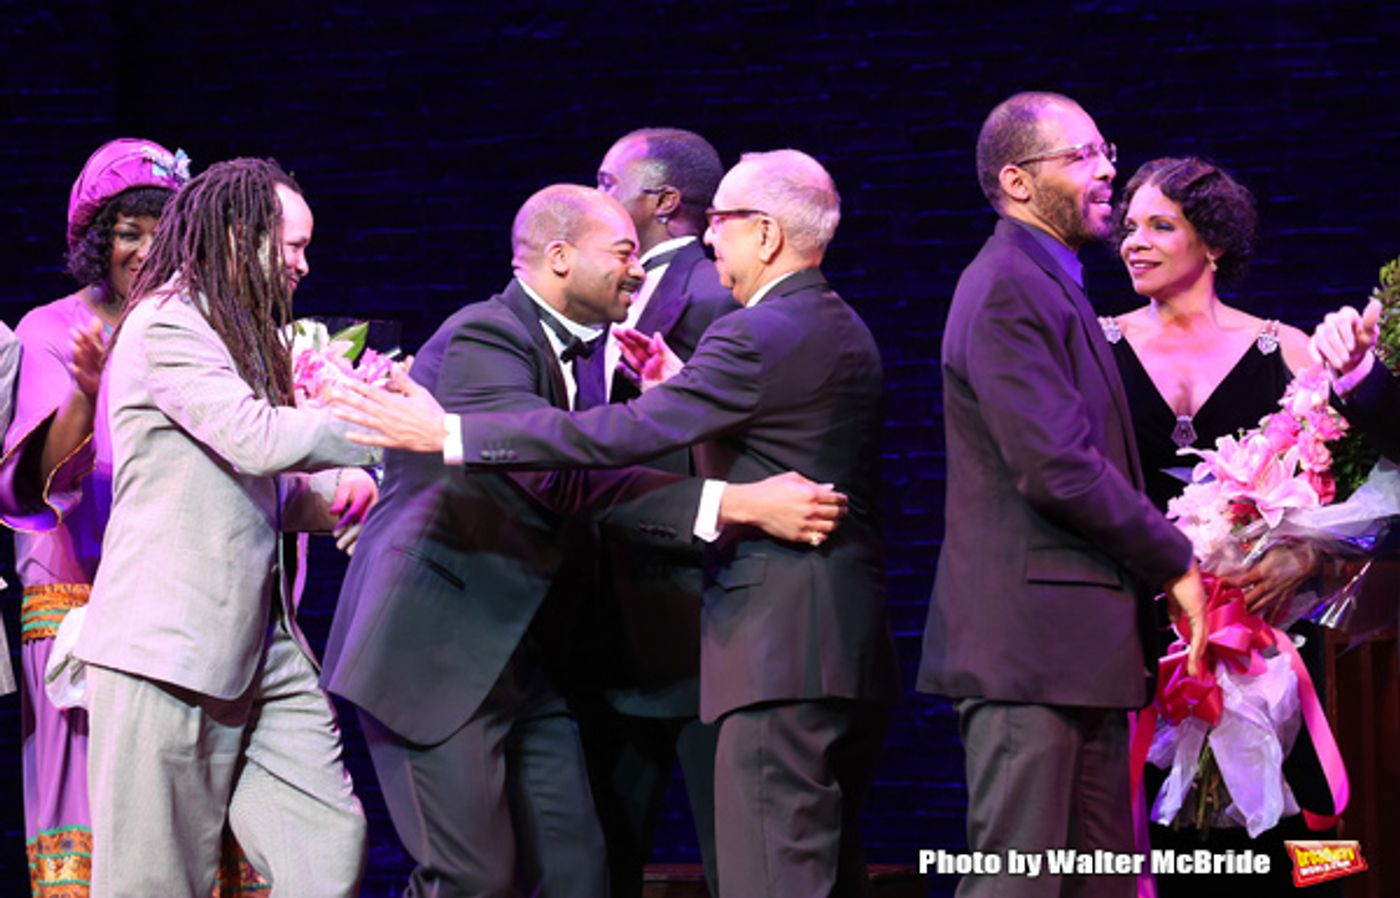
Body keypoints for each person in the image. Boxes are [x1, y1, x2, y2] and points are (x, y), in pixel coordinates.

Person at [331, 150, 902, 898]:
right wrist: (733, 502)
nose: (652, 266)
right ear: (560, 259)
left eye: (718, 225)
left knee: (582, 876)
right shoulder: (485, 334)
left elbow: (614, 447)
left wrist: (678, 398)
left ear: (765, 236)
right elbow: (561, 476)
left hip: (536, 659)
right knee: (474, 879)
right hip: (445, 649)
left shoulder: (645, 353)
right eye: (626, 252)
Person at [915, 93, 1207, 898]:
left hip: (1072, 656)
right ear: (1016, 180)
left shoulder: (1051, 280)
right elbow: (1055, 465)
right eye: (1080, 156)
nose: (1107, 167)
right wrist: (1172, 557)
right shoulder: (1008, 285)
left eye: (1101, 149)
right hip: (1029, 658)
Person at [72, 157, 379, 897]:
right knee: (154, 880)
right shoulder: (166, 323)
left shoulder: (247, 337)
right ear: (239, 235)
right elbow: (255, 439)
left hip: (260, 639)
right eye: (294, 246)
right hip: (167, 646)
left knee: (326, 841)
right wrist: (381, 428)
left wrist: (346, 491)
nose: (305, 265)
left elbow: (266, 487)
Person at [0, 139, 258, 898]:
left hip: (187, 607)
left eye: (164, 231)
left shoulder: (213, 329)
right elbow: (37, 483)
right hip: (79, 599)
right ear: (95, 241)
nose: (147, 252)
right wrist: (89, 390)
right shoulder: (54, 328)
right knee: (94, 828)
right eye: (128, 232)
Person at [1107, 155, 1340, 897]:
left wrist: (1305, 556)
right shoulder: (1092, 347)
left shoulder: (1290, 353)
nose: (1133, 241)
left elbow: (1349, 512)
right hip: (1140, 644)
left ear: (1211, 243)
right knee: (1162, 848)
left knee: (1297, 854)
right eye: (1127, 227)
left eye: (1158, 225)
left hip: (1267, 643)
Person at [583, 127, 737, 898]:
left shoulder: (712, 297)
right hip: (617, 619)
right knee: (603, 850)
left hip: (692, 618)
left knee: (732, 849)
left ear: (664, 202)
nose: (594, 197)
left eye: (608, 182)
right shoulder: (602, 296)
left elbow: (728, 450)